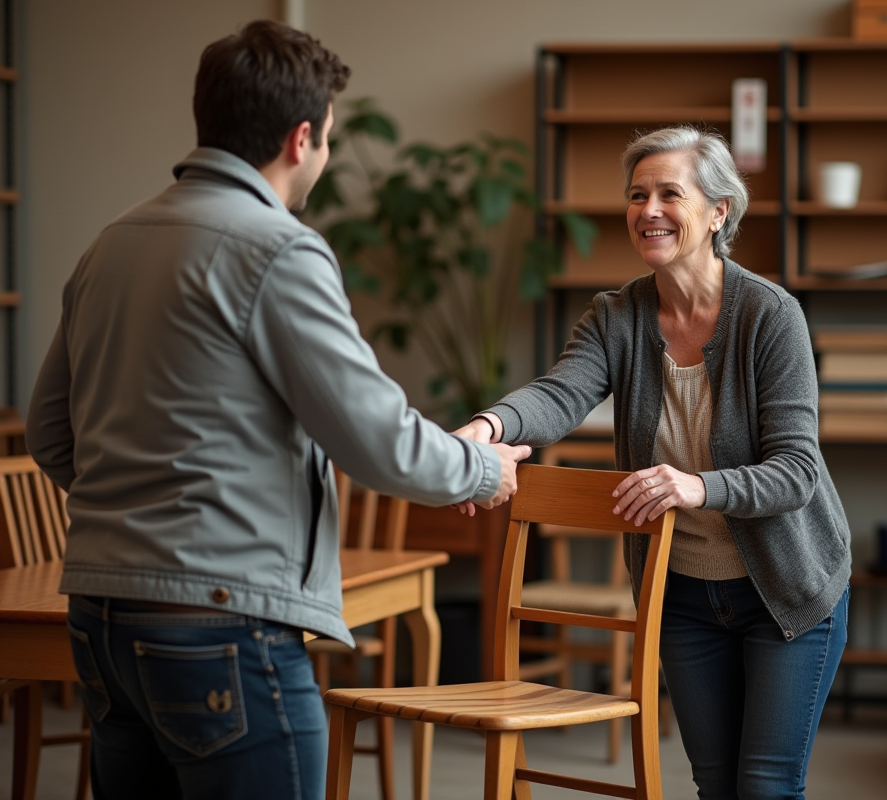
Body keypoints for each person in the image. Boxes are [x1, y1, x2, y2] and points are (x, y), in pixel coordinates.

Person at [26, 20, 530, 800]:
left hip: (99, 619)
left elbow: (50, 433)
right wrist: (481, 468)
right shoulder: (277, 248)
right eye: (327, 139)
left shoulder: (112, 242)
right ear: (302, 139)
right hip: (221, 623)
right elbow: (377, 440)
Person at [457, 126, 851, 800]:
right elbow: (559, 394)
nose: (649, 210)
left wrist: (695, 486)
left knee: (765, 786)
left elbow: (796, 471)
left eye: (670, 193)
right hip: (683, 593)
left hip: (787, 587)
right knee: (715, 785)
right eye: (637, 196)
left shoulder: (770, 315)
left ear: (718, 212)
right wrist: (484, 427)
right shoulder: (617, 316)